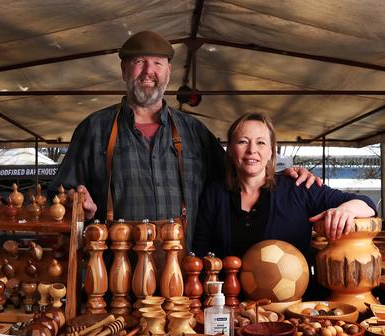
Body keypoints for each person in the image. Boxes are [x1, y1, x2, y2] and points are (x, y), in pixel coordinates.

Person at [50, 31, 318, 247]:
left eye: (157, 63)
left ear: (168, 72)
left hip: (181, 279)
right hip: (111, 279)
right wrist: (75, 203)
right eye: (139, 62)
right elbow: (57, 197)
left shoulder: (194, 131)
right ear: (124, 70)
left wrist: (284, 175)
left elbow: (242, 172)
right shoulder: (94, 128)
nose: (148, 71)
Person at [192, 112, 377, 263]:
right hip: (231, 304)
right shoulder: (214, 194)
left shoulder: (298, 186)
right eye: (242, 141)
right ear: (230, 149)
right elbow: (200, 252)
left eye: (261, 142)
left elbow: (368, 204)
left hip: (293, 304)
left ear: (272, 150)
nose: (251, 150)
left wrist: (346, 209)